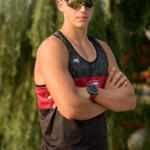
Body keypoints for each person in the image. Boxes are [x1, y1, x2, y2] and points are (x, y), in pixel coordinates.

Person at [34, 0, 136, 149]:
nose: (83, 9)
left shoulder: (103, 49)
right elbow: (71, 109)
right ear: (60, 4)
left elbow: (129, 100)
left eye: (88, 2)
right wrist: (109, 101)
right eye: (75, 3)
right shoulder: (52, 48)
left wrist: (89, 92)